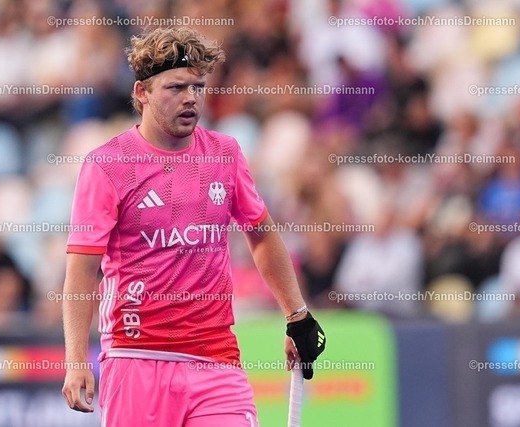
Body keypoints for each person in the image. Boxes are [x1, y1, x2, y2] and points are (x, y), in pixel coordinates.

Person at [61, 26, 326, 427]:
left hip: (216, 360)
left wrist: (297, 314)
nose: (190, 98)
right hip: (136, 359)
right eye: (176, 87)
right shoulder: (107, 165)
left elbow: (262, 235)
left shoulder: (225, 153)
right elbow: (82, 270)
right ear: (142, 92)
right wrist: (76, 359)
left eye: (198, 87)